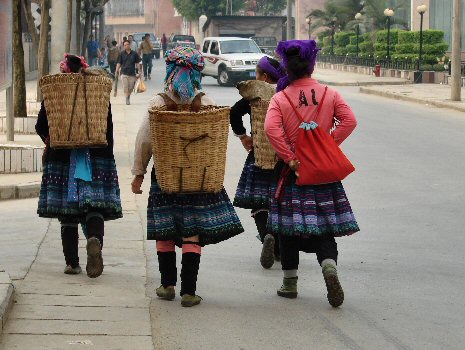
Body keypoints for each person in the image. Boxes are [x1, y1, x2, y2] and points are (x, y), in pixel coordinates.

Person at [131, 46, 244, 307]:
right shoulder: (206, 103)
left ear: (170, 71)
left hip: (166, 177)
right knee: (192, 232)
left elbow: (144, 141)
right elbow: (216, 142)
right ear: (196, 74)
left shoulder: (158, 104)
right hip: (199, 178)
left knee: (165, 230)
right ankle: (189, 291)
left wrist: (139, 173)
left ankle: (167, 285)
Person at [264, 40, 359, 307]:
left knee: (288, 228)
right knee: (325, 226)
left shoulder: (281, 98)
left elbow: (272, 129)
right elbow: (350, 120)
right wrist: (327, 145)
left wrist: (291, 157)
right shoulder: (329, 93)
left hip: (293, 172)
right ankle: (329, 267)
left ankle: (290, 283)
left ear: (287, 68)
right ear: (311, 65)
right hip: (323, 172)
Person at [35, 54, 123, 278]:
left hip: (61, 158)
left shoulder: (55, 92)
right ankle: (95, 241)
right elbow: (107, 127)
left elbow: (40, 125)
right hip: (97, 156)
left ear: (64, 71)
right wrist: (107, 157)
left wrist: (52, 140)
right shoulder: (97, 90)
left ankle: (72, 263)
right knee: (95, 206)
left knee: (67, 213)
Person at [230, 56, 286, 269]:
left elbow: (234, 112)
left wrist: (243, 136)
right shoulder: (285, 93)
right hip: (283, 157)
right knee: (279, 203)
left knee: (258, 203)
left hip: (259, 155)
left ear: (263, 76)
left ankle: (265, 237)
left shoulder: (255, 93)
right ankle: (279, 246)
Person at [116, 40, 142, 105]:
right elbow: (119, 63)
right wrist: (117, 70)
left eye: (127, 44)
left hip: (132, 74)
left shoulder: (134, 53)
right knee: (125, 86)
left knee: (131, 88)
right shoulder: (121, 54)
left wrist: (139, 71)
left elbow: (137, 63)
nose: (126, 46)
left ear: (129, 45)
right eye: (125, 45)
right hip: (123, 73)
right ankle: (127, 99)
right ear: (123, 46)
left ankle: (128, 96)